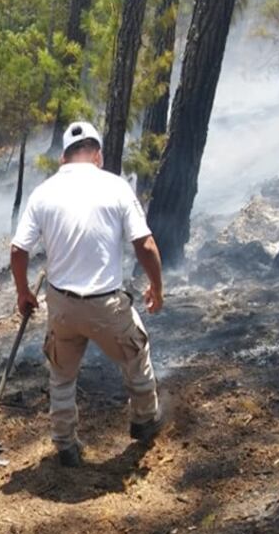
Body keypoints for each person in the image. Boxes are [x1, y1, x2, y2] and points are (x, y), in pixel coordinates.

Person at [10, 121, 167, 468]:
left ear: (64, 157)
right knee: (136, 357)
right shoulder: (115, 186)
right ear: (97, 155)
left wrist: (23, 292)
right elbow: (145, 243)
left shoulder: (44, 192)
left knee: (62, 376)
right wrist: (157, 285)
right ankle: (144, 421)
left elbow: (18, 250)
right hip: (106, 303)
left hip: (62, 304)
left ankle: (65, 444)